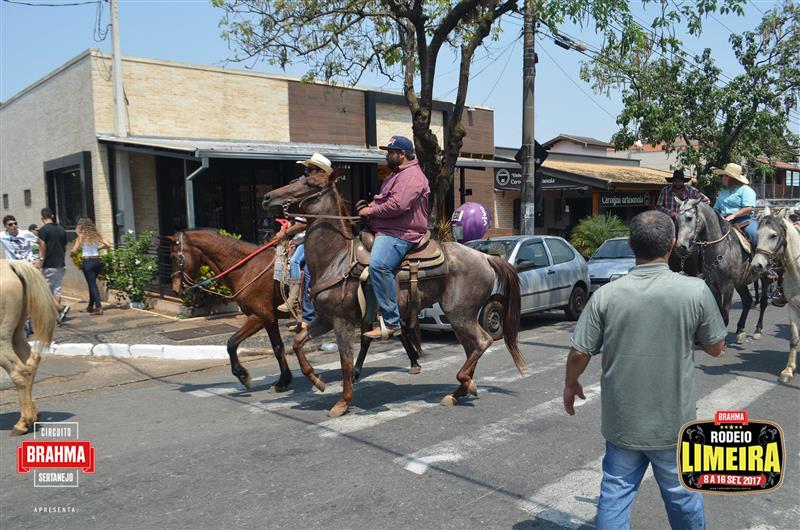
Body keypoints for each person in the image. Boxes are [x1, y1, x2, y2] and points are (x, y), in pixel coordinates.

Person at [563, 210, 727, 530]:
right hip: (674, 425)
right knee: (683, 497)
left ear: (630, 244)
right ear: (672, 243)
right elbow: (716, 347)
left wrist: (571, 384)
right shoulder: (695, 290)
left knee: (614, 495)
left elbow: (580, 352)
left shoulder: (606, 295)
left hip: (623, 424)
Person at [358, 135, 430, 339]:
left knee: (379, 266)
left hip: (400, 232)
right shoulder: (397, 174)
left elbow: (398, 205)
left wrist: (371, 211)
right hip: (386, 228)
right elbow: (386, 200)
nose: (387, 155)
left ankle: (391, 322)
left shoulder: (412, 175)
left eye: (391, 152)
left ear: (403, 154)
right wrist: (371, 206)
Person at [70, 218, 111, 315]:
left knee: (92, 285)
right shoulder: (96, 235)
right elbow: (108, 245)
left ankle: (98, 307)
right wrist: (98, 248)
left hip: (88, 262)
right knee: (91, 284)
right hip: (97, 261)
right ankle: (90, 306)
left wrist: (72, 253)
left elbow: (74, 250)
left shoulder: (81, 236)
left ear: (81, 226)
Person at [713, 163, 759, 245]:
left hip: (742, 220)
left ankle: (759, 252)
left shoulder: (745, 190)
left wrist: (733, 215)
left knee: (755, 233)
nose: (723, 178)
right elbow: (716, 208)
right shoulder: (723, 191)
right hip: (722, 220)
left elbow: (749, 208)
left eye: (726, 176)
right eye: (723, 176)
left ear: (733, 178)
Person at [38, 208, 70, 323]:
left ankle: (61, 309)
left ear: (42, 218)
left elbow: (42, 246)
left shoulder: (43, 230)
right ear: (52, 216)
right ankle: (58, 315)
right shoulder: (61, 229)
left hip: (48, 264)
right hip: (60, 264)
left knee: (44, 291)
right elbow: (65, 247)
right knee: (56, 290)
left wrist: (40, 261)